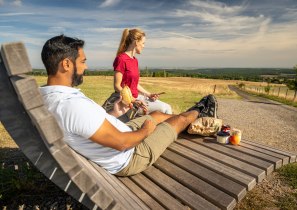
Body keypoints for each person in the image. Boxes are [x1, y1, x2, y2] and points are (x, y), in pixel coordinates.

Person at [40, 35, 217, 176]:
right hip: (130, 155)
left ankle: (194, 118)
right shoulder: (69, 105)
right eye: (83, 61)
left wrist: (114, 114)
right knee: (179, 119)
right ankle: (201, 110)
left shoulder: (50, 95)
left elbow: (84, 124)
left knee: (157, 116)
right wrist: (146, 130)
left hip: (119, 130)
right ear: (66, 64)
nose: (86, 67)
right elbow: (121, 143)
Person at [113, 28, 172, 114]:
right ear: (136, 42)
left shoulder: (134, 60)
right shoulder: (121, 59)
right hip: (127, 102)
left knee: (167, 107)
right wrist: (132, 100)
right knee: (166, 109)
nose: (144, 46)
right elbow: (117, 86)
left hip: (137, 98)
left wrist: (149, 94)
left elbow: (134, 84)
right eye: (143, 43)